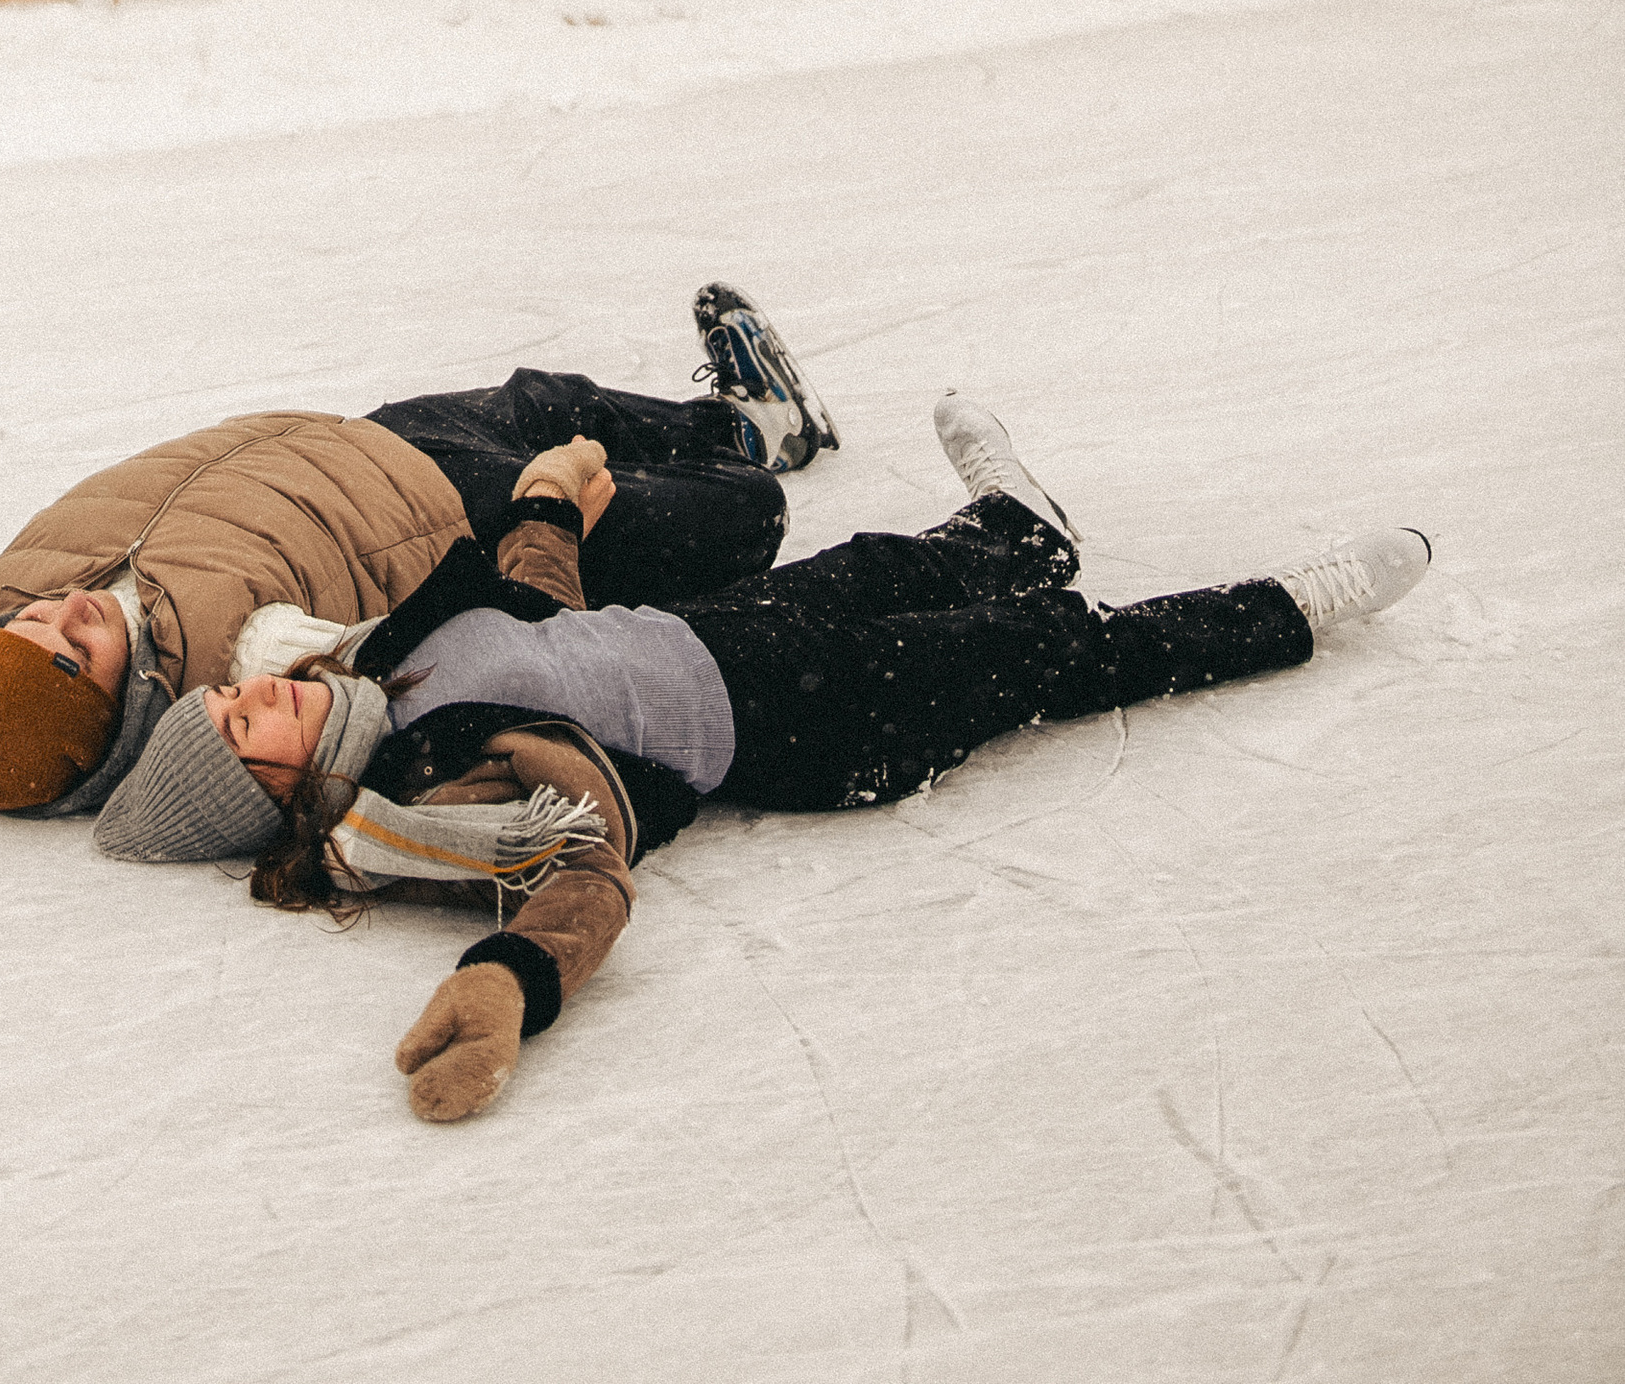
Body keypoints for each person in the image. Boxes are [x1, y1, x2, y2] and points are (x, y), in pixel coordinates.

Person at [92, 396, 1431, 1126]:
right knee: (1053, 657)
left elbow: (536, 605)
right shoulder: (424, 784)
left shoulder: (391, 667)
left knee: (914, 563)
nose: (256, 694)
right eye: (246, 728)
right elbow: (578, 863)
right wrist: (508, 981)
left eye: (234, 699)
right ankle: (1287, 609)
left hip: (717, 629)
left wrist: (553, 495)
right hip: (801, 726)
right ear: (278, 788)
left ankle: (1019, 521)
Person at [0, 282, 839, 826]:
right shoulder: (241, 669)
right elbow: (379, 685)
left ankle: (727, 412)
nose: (57, 614)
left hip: (350, 436)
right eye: (71, 648)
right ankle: (754, 445)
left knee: (541, 389)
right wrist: (540, 539)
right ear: (115, 713)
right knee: (730, 525)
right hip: (456, 508)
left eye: (29, 631)